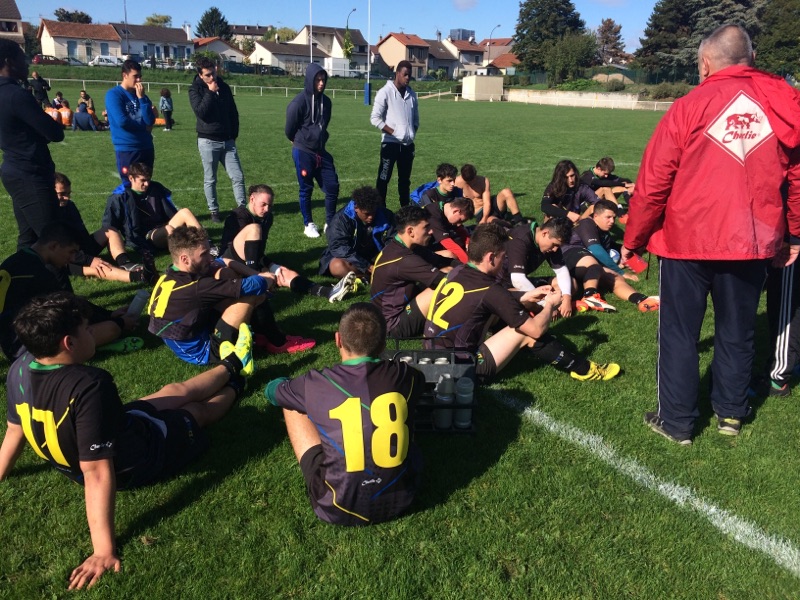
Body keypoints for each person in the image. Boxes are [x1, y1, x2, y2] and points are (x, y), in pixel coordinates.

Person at [622, 24, 800, 444]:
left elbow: (653, 181)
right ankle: (731, 413)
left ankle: (677, 421)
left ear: (705, 63)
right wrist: (793, 234)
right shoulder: (781, 103)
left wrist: (633, 240)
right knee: (738, 330)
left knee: (680, 333)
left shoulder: (689, 106)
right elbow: (796, 179)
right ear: (751, 59)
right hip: (751, 241)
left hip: (686, 241)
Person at [0, 292, 248, 590]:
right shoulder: (89, 384)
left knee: (172, 391)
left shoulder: (19, 367)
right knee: (195, 412)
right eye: (88, 330)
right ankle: (237, 383)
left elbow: (14, 431)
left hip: (118, 430)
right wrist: (103, 551)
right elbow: (96, 471)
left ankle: (232, 363)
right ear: (69, 343)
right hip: (136, 459)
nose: (93, 334)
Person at [265, 302, 425, 526]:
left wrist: (283, 382)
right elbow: (420, 382)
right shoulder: (406, 375)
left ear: (338, 339)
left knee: (290, 402)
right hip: (402, 498)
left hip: (336, 507)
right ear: (382, 343)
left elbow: (272, 392)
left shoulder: (315, 383)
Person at [423, 223, 620, 382]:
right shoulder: (491, 290)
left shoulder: (457, 271)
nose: (504, 262)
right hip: (459, 371)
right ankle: (583, 369)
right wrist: (550, 305)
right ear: (491, 257)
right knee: (526, 332)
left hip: (430, 355)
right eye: (503, 257)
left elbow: (485, 299)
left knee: (503, 313)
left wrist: (526, 295)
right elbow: (536, 329)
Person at [0, 223, 136, 360]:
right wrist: (118, 322)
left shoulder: (17, 260)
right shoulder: (40, 273)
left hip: (12, 342)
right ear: (53, 246)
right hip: (29, 348)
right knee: (111, 329)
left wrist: (109, 314)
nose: (72, 259)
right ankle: (92, 347)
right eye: (71, 252)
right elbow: (70, 307)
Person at [220, 184, 357, 303]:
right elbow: (228, 248)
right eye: (263, 204)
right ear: (252, 199)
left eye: (270, 205)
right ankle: (255, 281)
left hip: (253, 262)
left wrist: (271, 265)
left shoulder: (267, 217)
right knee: (254, 229)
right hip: (231, 261)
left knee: (285, 273)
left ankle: (328, 292)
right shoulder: (237, 216)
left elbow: (258, 251)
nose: (267, 209)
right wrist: (257, 271)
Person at [0, 40, 65, 251]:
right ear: (9, 62)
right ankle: (62, 279)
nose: (27, 63)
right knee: (52, 241)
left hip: (14, 170)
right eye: (22, 58)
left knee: (28, 239)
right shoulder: (16, 95)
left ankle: (19, 273)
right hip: (30, 173)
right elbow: (55, 133)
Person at [560, 200, 658, 313]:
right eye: (608, 217)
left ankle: (641, 299)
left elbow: (612, 245)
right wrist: (621, 271)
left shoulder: (603, 230)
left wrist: (631, 250)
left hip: (589, 268)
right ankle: (590, 296)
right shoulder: (586, 223)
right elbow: (596, 250)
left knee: (615, 277)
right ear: (595, 216)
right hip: (571, 256)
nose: (612, 221)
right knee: (595, 264)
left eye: (613, 218)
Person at [102, 162, 204, 271]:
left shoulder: (155, 188)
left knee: (185, 212)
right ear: (131, 178)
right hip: (147, 236)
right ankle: (187, 254)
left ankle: (206, 245)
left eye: (148, 180)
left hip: (162, 227)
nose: (146, 184)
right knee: (169, 229)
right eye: (143, 180)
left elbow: (169, 211)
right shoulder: (120, 197)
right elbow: (109, 226)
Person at [370, 205, 452, 338]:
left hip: (392, 311)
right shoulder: (404, 260)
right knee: (445, 287)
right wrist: (478, 278)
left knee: (448, 266)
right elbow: (445, 281)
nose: (431, 231)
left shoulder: (402, 246)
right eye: (426, 227)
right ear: (410, 231)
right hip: (393, 325)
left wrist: (472, 268)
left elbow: (441, 261)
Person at [55, 173, 151, 283]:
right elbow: (59, 251)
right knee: (97, 268)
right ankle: (139, 277)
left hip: (78, 250)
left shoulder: (70, 206)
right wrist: (89, 260)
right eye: (62, 194)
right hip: (65, 259)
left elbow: (82, 234)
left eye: (68, 193)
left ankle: (125, 263)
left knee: (110, 230)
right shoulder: (46, 215)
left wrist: (87, 253)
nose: (67, 197)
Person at [189, 58, 246, 222]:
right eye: (208, 75)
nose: (212, 77)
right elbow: (201, 112)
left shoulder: (224, 87)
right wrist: (210, 92)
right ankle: (214, 211)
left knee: (238, 176)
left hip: (228, 141)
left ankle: (242, 209)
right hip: (208, 141)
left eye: (213, 73)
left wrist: (233, 134)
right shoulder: (195, 90)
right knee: (210, 179)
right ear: (200, 75)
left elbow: (233, 112)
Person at [285, 63, 339, 238]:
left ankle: (330, 222)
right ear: (310, 80)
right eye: (317, 80)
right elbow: (289, 129)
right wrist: (299, 140)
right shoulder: (298, 102)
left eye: (323, 79)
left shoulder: (327, 102)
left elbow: (324, 124)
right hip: (303, 151)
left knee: (332, 185)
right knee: (306, 188)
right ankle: (308, 224)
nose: (321, 83)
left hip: (321, 151)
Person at [503, 218, 575, 318]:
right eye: (554, 245)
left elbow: (561, 271)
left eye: (558, 246)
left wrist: (567, 298)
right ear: (545, 233)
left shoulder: (551, 242)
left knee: (572, 283)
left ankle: (542, 308)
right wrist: (545, 304)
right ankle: (541, 310)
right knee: (527, 300)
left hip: (522, 282)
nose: (555, 249)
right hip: (500, 285)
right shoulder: (520, 240)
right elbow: (517, 279)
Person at [371, 60, 419, 207]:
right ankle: (380, 211)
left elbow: (415, 119)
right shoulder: (385, 92)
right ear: (397, 73)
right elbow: (375, 118)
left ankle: (405, 210)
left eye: (409, 75)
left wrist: (411, 133)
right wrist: (395, 132)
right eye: (405, 74)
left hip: (407, 146)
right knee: (383, 179)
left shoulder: (412, 94)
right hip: (390, 145)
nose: (407, 78)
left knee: (405, 181)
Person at [320, 186, 394, 279]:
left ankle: (373, 275)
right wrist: (367, 266)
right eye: (367, 214)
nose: (371, 217)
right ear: (356, 208)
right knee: (337, 266)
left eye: (373, 213)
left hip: (376, 256)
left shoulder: (386, 215)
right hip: (353, 259)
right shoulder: (340, 219)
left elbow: (394, 240)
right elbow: (339, 247)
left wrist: (387, 258)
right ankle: (369, 276)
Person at [105, 59, 155, 183]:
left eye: (140, 76)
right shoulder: (114, 94)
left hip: (146, 146)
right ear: (125, 75)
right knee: (129, 186)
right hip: (127, 148)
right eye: (135, 76)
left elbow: (150, 120)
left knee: (146, 184)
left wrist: (142, 98)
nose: (139, 80)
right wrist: (144, 128)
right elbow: (122, 121)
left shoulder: (141, 95)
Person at [455, 163, 524, 225]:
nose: (471, 183)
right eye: (468, 182)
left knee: (507, 192)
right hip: (480, 212)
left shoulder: (483, 181)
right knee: (492, 221)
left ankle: (520, 221)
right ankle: (508, 223)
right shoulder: (457, 183)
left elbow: (487, 202)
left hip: (490, 205)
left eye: (473, 180)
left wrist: (484, 218)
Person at [424, 196, 474, 262]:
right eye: (460, 220)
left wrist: (468, 243)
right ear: (456, 211)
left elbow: (462, 231)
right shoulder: (432, 215)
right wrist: (469, 263)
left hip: (434, 243)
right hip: (422, 250)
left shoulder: (446, 207)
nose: (459, 224)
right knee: (449, 254)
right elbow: (448, 244)